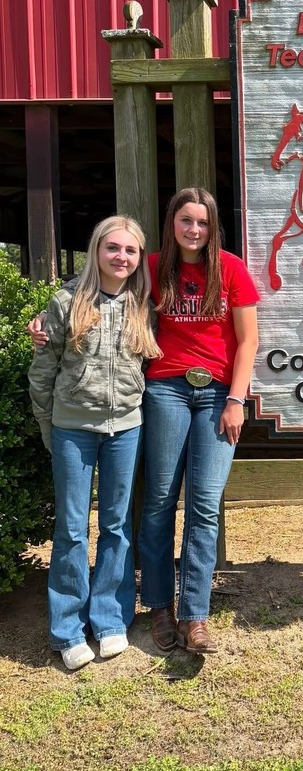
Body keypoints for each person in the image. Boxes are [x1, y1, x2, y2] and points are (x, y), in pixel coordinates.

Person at [28, 216, 161, 671]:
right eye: (113, 248)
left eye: (130, 250)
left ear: (139, 257)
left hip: (126, 426)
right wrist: (50, 426)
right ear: (96, 250)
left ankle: (110, 619)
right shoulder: (66, 303)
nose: (121, 257)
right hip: (72, 429)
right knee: (69, 528)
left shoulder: (144, 303)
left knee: (117, 525)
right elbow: (43, 371)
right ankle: (66, 628)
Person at [139, 187, 259, 655]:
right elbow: (99, 281)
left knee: (205, 504)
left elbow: (248, 341)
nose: (194, 230)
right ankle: (158, 607)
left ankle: (195, 615)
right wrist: (51, 317)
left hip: (216, 395)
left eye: (202, 222)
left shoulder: (230, 269)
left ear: (212, 227)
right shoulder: (152, 267)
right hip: (165, 389)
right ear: (172, 223)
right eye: (186, 220)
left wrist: (236, 400)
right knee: (160, 501)